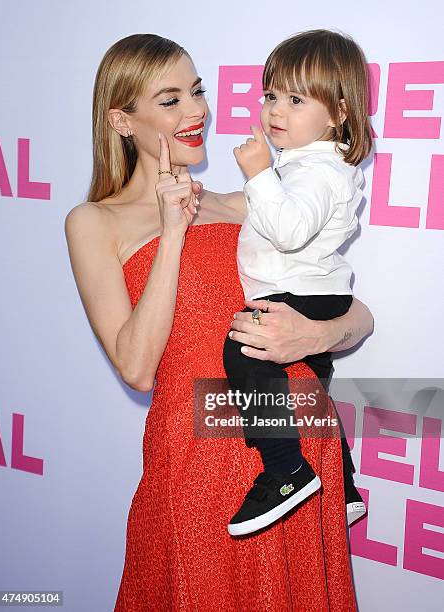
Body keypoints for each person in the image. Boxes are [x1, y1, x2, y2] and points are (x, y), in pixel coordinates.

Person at [64, 33, 373, 611]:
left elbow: (356, 313)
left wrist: (316, 335)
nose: (197, 112)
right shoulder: (93, 222)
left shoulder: (250, 201)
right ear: (122, 120)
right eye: (171, 99)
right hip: (199, 458)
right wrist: (173, 230)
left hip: (298, 443)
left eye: (197, 92)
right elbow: (136, 367)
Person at [223, 29, 370, 537]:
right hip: (318, 292)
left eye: (295, 98)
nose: (275, 111)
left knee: (244, 351)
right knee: (310, 392)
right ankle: (345, 485)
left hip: (299, 292)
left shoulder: (316, 171)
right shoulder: (314, 164)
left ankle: (285, 468)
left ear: (339, 112)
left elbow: (288, 234)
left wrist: (260, 175)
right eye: (270, 96)